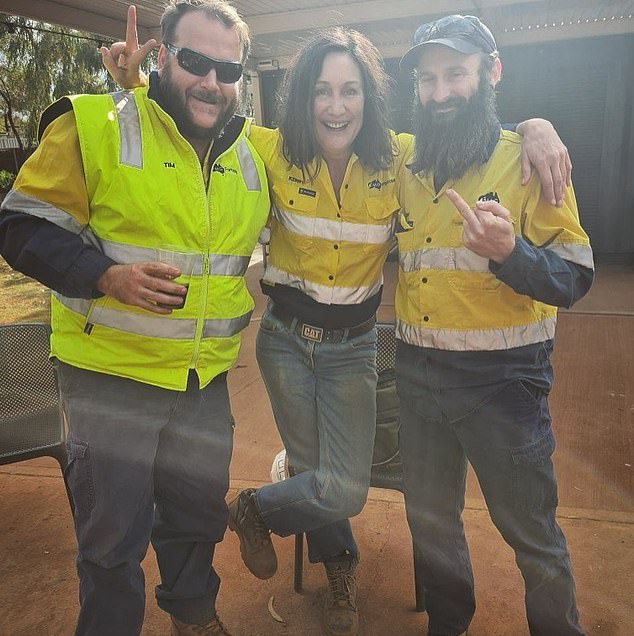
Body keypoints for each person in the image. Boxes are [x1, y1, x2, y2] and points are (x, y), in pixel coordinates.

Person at [104, 9, 574, 636]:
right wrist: (135, 89)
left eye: (350, 89)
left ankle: (249, 507)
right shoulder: (266, 149)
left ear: (369, 97)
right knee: (312, 472)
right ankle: (340, 566)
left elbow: (470, 131)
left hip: (354, 348)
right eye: (322, 89)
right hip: (284, 345)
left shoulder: (399, 160)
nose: (335, 105)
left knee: (341, 487)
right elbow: (188, 131)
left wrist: (538, 127)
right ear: (303, 97)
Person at [0, 2, 270, 635]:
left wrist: (532, 125)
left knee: (197, 516)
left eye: (227, 68)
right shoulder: (93, 124)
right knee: (112, 540)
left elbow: (347, 135)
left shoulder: (255, 150)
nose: (211, 81)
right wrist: (104, 275)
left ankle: (194, 618)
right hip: (108, 380)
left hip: (201, 382)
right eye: (195, 61)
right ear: (162, 58)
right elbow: (18, 224)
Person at [394, 14, 594, 636]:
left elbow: (575, 276)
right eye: (428, 80)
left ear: (491, 72)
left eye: (455, 73)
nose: (441, 92)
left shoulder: (532, 163)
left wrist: (513, 255)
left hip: (502, 387)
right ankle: (447, 625)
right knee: (431, 521)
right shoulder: (406, 160)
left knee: (531, 533)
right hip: (419, 379)